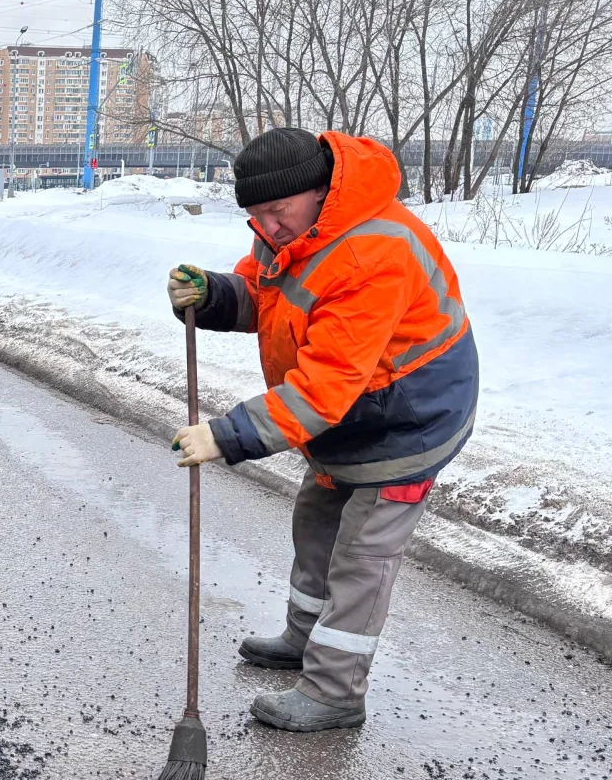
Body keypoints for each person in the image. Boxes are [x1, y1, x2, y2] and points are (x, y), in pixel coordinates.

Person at [166, 127, 478, 731]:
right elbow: (272, 297)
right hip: (347, 419)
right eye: (255, 216)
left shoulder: (372, 254)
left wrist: (226, 436)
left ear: (318, 194)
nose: (267, 228)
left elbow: (325, 386)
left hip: (408, 420)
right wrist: (217, 295)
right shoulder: (290, 229)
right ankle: (304, 640)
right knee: (315, 522)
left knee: (362, 555)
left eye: (276, 212)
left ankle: (336, 691)